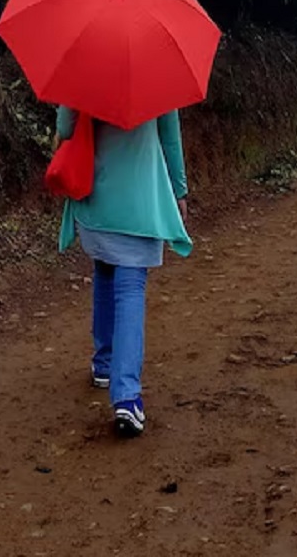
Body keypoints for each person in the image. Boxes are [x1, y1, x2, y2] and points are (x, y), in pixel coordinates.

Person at [54, 106, 191, 438]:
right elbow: (170, 139)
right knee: (130, 289)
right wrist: (180, 191)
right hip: (140, 205)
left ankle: (104, 364)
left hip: (96, 199)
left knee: (104, 272)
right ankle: (126, 397)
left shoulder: (84, 66)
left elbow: (65, 128)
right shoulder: (157, 70)